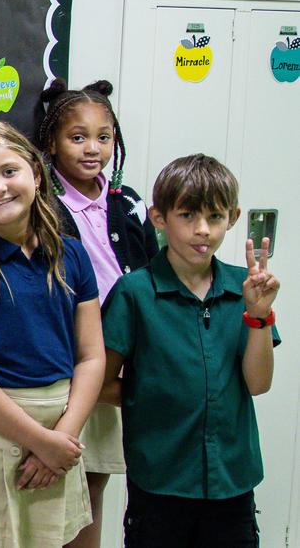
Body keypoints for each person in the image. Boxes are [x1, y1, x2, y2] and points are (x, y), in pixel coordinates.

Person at [101, 154, 280, 548]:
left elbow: (258, 383)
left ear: (232, 217)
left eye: (215, 217)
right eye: (187, 216)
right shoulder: (136, 293)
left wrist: (258, 315)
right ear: (159, 218)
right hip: (160, 480)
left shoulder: (244, 288)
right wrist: (148, 397)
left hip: (232, 480)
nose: (203, 231)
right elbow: (99, 383)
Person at [0, 121, 101, 547]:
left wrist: (63, 437)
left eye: (9, 172)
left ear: (36, 172)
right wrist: (39, 441)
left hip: (62, 424)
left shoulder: (73, 254)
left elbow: (91, 356)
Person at [31, 78, 153, 548]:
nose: (92, 149)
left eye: (103, 137)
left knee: (96, 478)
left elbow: (148, 274)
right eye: (77, 137)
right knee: (58, 479)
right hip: (71, 362)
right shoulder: (42, 205)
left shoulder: (129, 204)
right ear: (51, 142)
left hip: (120, 357)